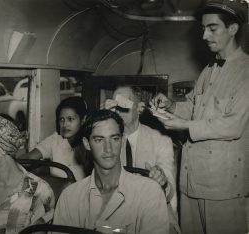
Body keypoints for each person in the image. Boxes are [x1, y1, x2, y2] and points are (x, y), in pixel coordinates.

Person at [152, 1, 249, 233]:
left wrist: (184, 125)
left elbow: (233, 126)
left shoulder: (246, 71)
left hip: (222, 189)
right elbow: (193, 107)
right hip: (190, 182)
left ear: (233, 29)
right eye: (203, 28)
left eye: (212, 28)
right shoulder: (209, 70)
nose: (205, 35)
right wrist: (171, 105)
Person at [53, 109, 169, 234]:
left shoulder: (148, 192)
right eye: (99, 140)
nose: (108, 149)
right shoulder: (70, 197)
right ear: (87, 144)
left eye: (114, 138)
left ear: (123, 140)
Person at [104, 85, 179, 233]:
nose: (118, 106)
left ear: (139, 108)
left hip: (154, 213)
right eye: (115, 103)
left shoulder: (160, 141)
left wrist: (162, 181)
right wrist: (104, 122)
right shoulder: (106, 141)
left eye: (125, 101)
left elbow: (169, 192)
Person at [20, 96, 92, 180]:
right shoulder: (54, 140)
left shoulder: (90, 142)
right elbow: (29, 158)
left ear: (83, 120)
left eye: (70, 119)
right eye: (61, 119)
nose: (65, 124)